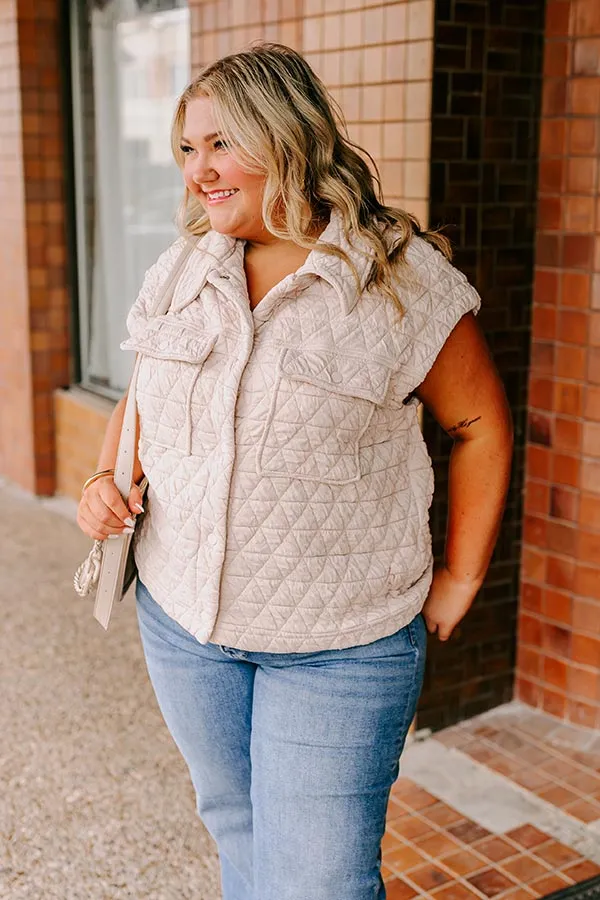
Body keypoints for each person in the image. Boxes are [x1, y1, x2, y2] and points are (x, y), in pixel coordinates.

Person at [76, 43, 513, 900]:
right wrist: (102, 481)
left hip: (339, 647)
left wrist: (461, 578)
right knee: (235, 826)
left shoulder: (397, 276)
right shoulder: (183, 267)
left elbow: (480, 424)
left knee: (320, 881)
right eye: (188, 149)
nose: (200, 170)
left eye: (220, 144)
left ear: (285, 135)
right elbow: (142, 397)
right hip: (184, 624)